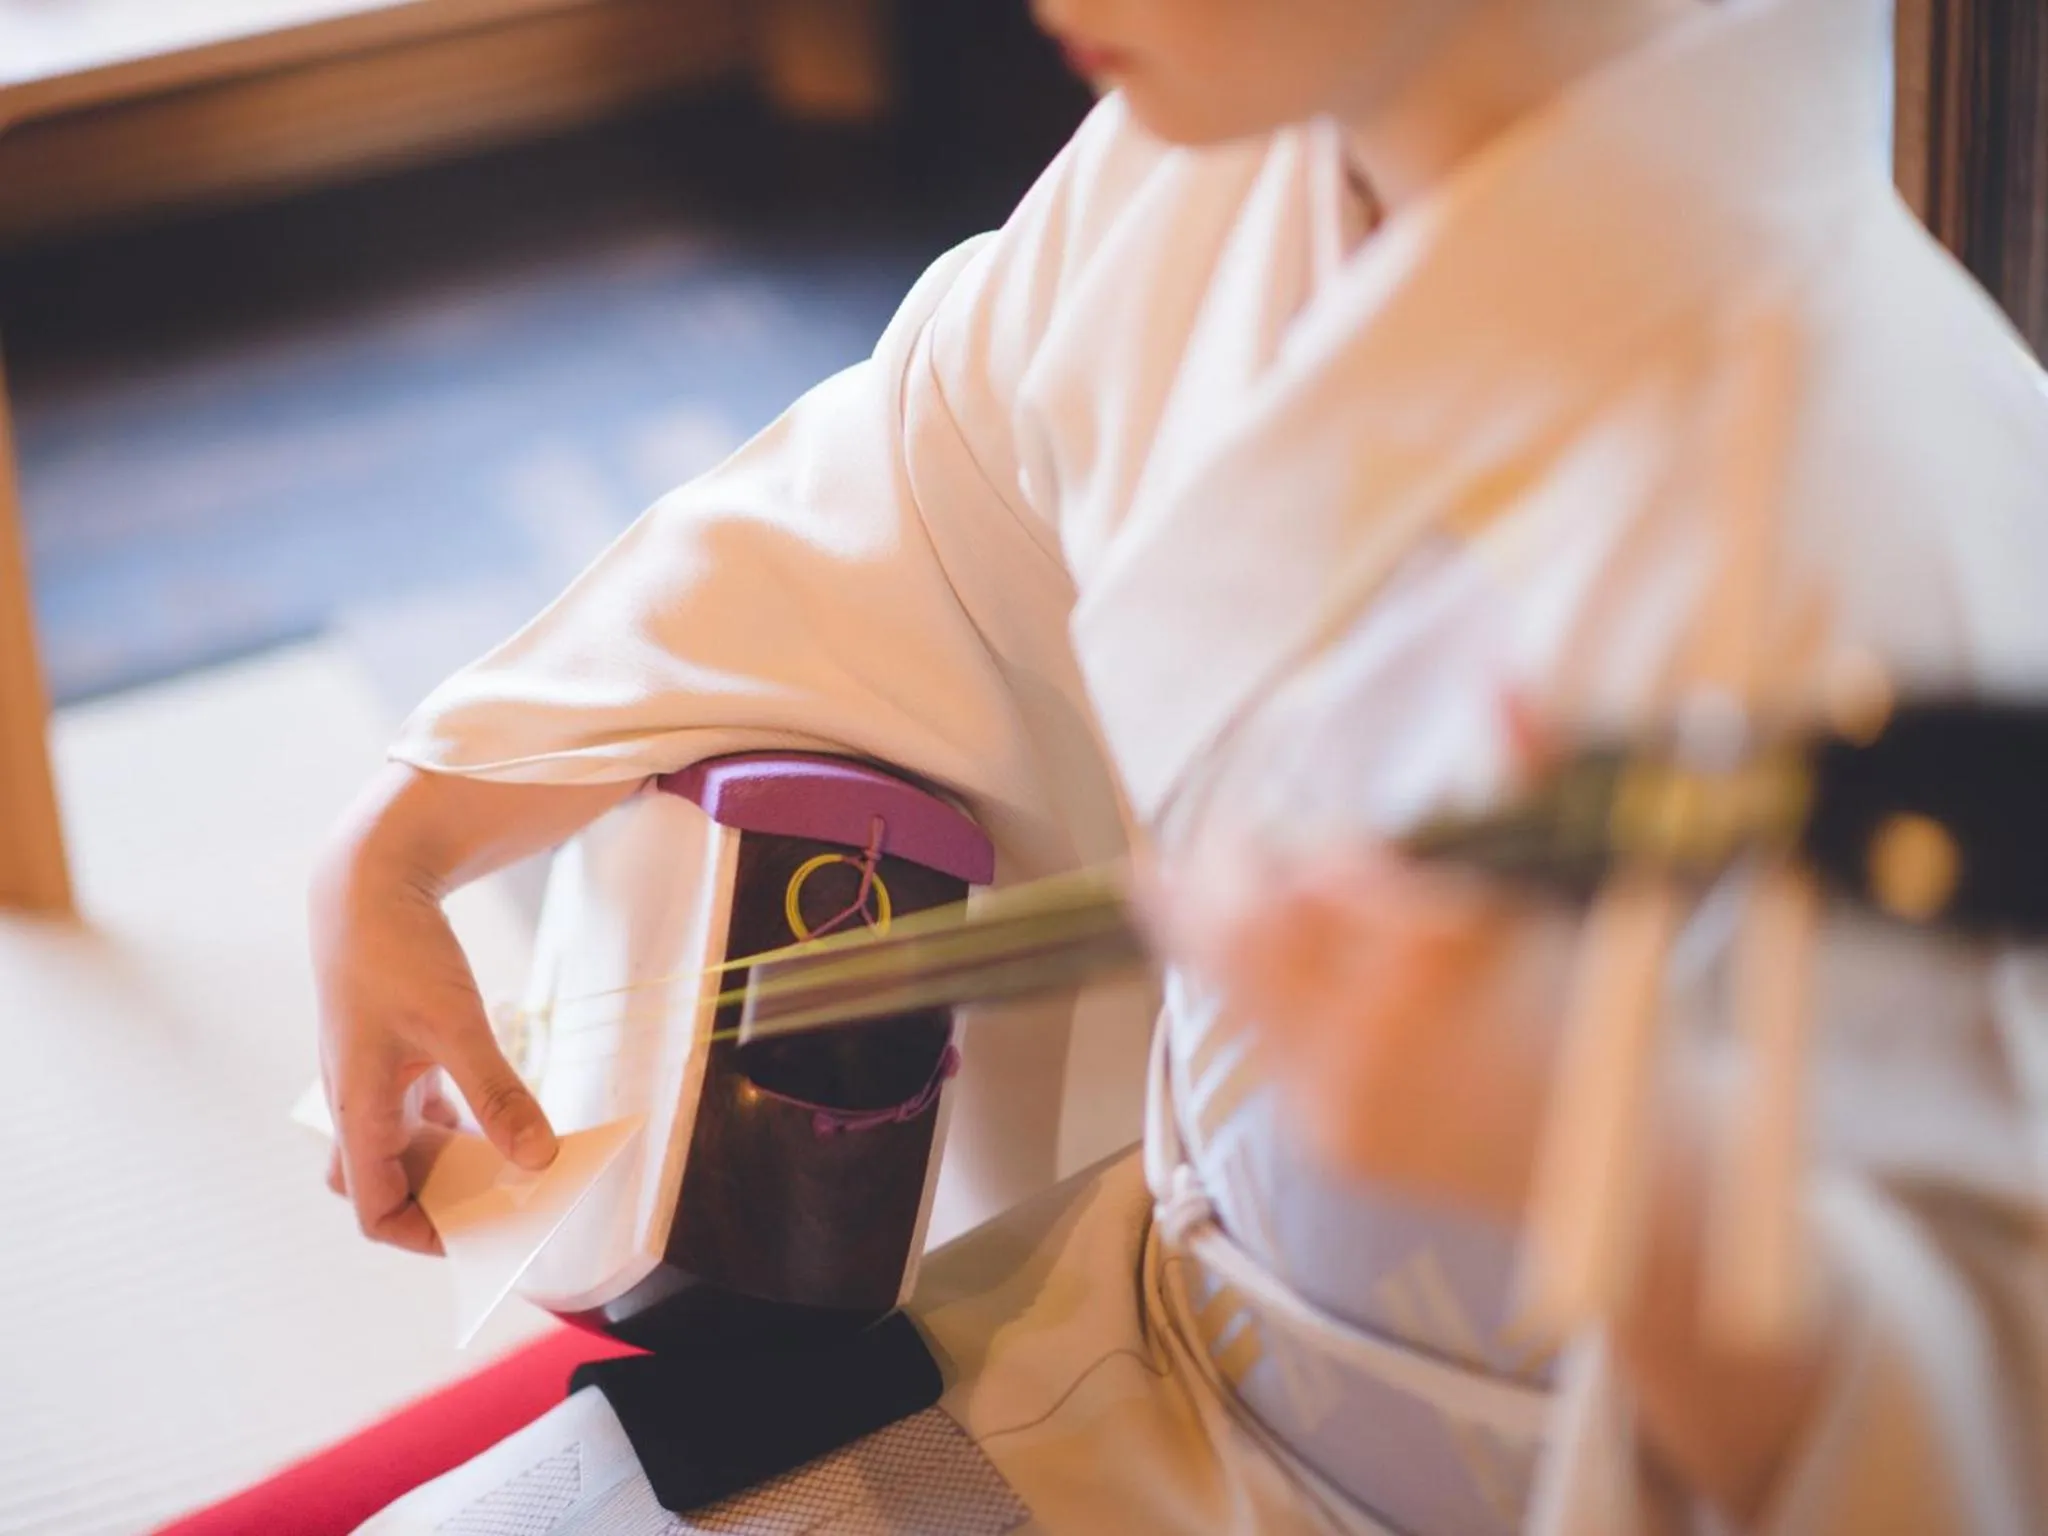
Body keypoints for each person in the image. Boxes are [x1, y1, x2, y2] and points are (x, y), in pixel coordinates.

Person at [312, 0, 2048, 1529]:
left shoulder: (1894, 523)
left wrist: (1609, 1163)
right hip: (1133, 1340)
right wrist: (404, 838)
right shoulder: (1214, 166)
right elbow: (910, 494)